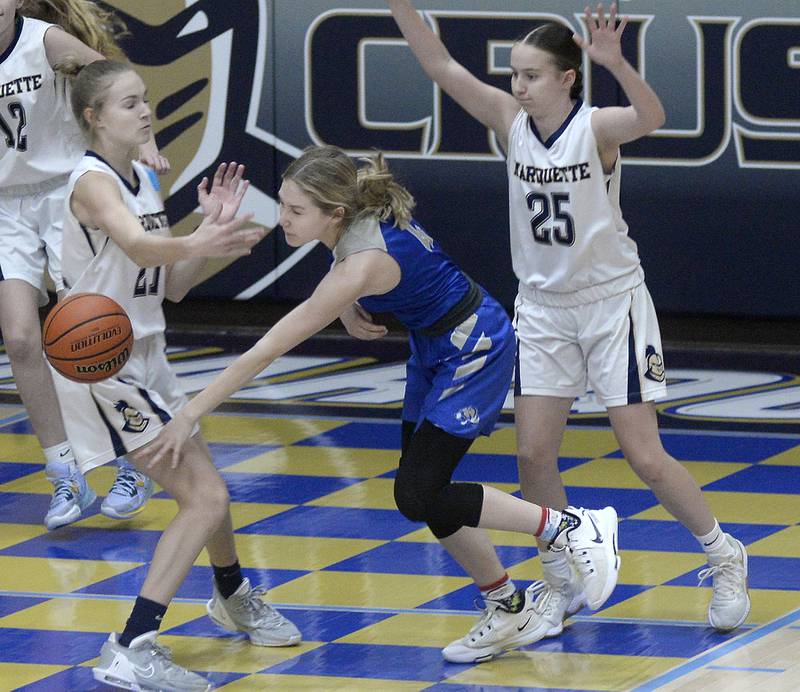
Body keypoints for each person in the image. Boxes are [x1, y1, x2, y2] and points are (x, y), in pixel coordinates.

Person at [145, 143, 621, 665]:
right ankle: (506, 605)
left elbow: (266, 350)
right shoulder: (352, 227)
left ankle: (573, 527)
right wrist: (349, 307)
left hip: (474, 345)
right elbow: (350, 269)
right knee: (418, 492)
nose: (282, 218)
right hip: (434, 346)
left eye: (295, 210)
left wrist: (189, 412)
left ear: (335, 212)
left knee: (420, 491)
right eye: (282, 204)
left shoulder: (361, 263)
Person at [386, 0, 749, 637]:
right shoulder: (509, 120)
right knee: (532, 456)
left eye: (530, 75)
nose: (516, 86)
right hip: (543, 310)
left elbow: (654, 117)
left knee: (646, 456)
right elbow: (441, 65)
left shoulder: (597, 127)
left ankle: (724, 555)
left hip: (612, 304)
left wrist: (616, 62)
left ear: (566, 78)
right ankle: (560, 581)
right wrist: (401, 7)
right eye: (513, 75)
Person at [49, 59, 300, 691]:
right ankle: (130, 645)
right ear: (94, 117)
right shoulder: (92, 181)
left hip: (149, 355)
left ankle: (232, 593)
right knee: (207, 495)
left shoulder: (140, 179)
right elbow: (137, 246)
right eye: (129, 103)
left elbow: (171, 286)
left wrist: (208, 235)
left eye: (144, 100)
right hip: (103, 366)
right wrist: (194, 241)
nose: (145, 111)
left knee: (208, 487)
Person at [0, 0, 167, 530]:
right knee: (23, 339)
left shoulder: (43, 41)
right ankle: (64, 472)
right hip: (7, 206)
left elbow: (114, 84)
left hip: (65, 194)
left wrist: (146, 144)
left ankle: (130, 455)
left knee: (93, 328)